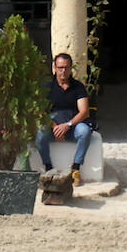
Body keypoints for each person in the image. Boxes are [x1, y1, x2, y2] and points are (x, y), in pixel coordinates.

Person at [35, 53, 92, 185]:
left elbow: (84, 112)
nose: (63, 71)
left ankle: (76, 168)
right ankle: (48, 167)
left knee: (85, 131)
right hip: (53, 127)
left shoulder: (78, 87)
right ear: (54, 68)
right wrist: (55, 126)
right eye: (60, 67)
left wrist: (68, 125)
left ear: (71, 68)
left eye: (66, 67)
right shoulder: (47, 88)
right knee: (40, 135)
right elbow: (40, 111)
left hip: (73, 126)